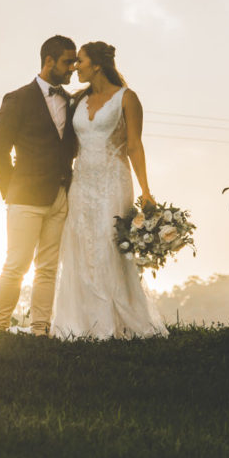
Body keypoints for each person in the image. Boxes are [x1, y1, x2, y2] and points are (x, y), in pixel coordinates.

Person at [51, 42, 168, 339]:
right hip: (82, 183)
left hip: (113, 181)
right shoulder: (77, 100)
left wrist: (146, 190)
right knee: (80, 245)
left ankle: (118, 323)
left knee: (107, 246)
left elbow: (134, 146)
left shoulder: (127, 99)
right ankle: (80, 322)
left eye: (81, 61)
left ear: (98, 65)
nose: (76, 66)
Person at [0, 35, 78, 336]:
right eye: (67, 62)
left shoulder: (71, 102)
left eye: (75, 62)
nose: (72, 69)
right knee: (16, 265)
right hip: (25, 196)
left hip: (60, 197)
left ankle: (41, 329)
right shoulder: (18, 98)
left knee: (48, 268)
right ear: (48, 61)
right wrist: (11, 190)